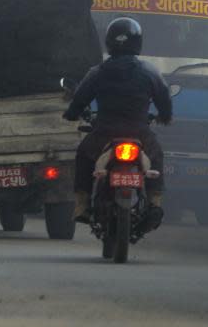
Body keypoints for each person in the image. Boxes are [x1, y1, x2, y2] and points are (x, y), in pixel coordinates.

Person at [64, 17, 173, 227]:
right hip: (140, 133)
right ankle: (155, 203)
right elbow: (164, 98)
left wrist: (71, 114)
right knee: (157, 156)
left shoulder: (97, 72)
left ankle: (82, 205)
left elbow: (79, 99)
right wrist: (165, 117)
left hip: (104, 132)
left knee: (84, 156)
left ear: (109, 41)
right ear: (138, 42)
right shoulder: (149, 72)